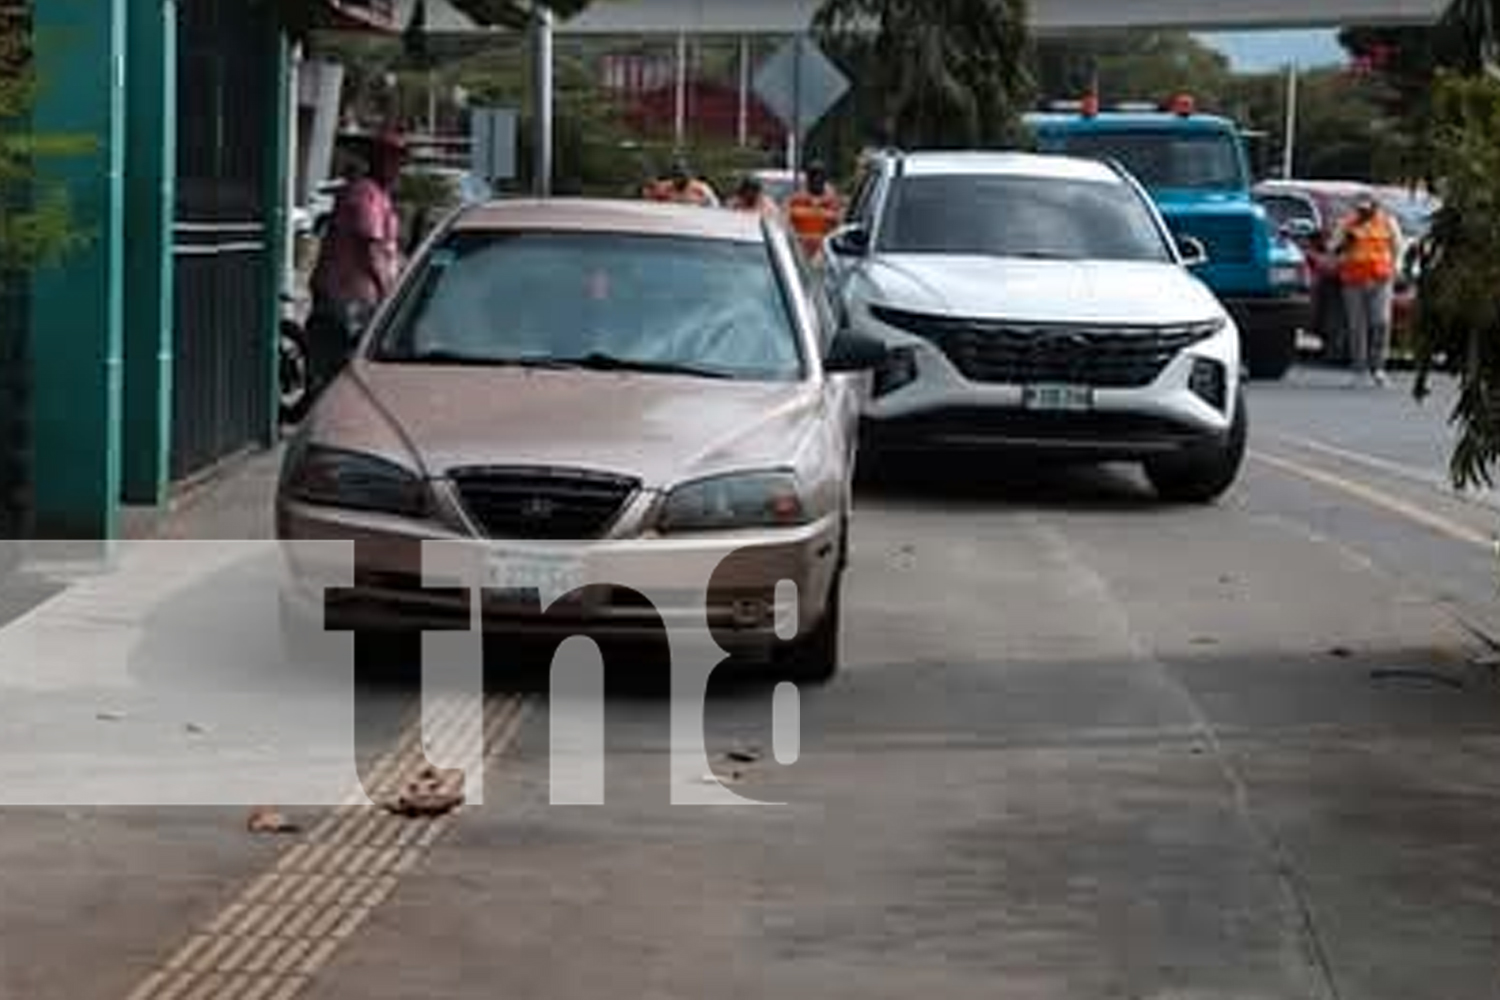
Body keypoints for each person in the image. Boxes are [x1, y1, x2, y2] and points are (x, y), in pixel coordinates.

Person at [308, 130, 406, 392]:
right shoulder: (366, 194)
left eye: (399, 160)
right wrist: (390, 294)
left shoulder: (381, 196)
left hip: (359, 301)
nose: (398, 168)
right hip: (346, 299)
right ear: (378, 160)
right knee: (339, 378)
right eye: (392, 160)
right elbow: (370, 250)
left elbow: (387, 250)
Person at [1331, 191, 1402, 387]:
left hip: (1380, 280)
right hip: (1353, 282)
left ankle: (1378, 368)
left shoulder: (1388, 222)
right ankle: (1359, 370)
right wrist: (1345, 243)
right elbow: (1333, 248)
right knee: (1357, 326)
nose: (1363, 213)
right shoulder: (1346, 223)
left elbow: (1397, 247)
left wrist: (1395, 270)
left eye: (1367, 209)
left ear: (1375, 207)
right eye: (1360, 209)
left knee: (1381, 322)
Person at [785, 160, 844, 261]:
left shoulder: (833, 203)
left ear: (825, 179)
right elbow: (786, 228)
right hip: (799, 257)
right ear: (808, 179)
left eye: (820, 177)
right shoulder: (795, 200)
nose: (817, 180)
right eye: (813, 176)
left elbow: (838, 231)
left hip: (826, 258)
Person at [646, 157, 719, 207]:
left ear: (687, 176)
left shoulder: (700, 188)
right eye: (675, 176)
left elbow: (715, 204)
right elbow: (649, 195)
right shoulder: (667, 187)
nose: (678, 179)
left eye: (681, 176)